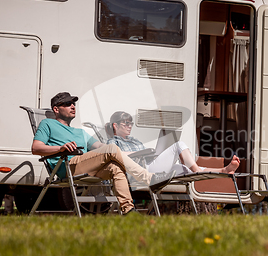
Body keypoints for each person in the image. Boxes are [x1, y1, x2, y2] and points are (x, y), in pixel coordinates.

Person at [31, 92, 174, 215]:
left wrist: (131, 153)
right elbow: (36, 148)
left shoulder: (80, 132)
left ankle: (128, 211)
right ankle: (149, 179)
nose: (73, 106)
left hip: (85, 165)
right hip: (67, 165)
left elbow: (101, 146)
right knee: (111, 148)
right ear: (56, 109)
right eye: (67, 103)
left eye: (73, 103)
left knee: (115, 168)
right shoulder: (48, 124)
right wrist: (60, 148)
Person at [106, 111, 240, 175]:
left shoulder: (134, 140)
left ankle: (223, 170)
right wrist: (140, 152)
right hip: (142, 171)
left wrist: (152, 153)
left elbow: (145, 153)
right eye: (126, 123)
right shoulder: (113, 141)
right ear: (115, 126)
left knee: (184, 169)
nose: (130, 126)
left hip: (150, 164)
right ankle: (198, 170)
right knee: (178, 145)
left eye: (131, 123)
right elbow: (117, 154)